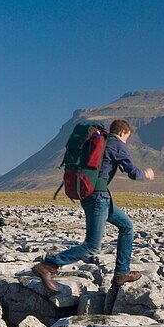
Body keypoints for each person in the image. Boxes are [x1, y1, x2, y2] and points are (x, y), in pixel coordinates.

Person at [33, 119, 154, 292]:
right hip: (99, 198)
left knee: (126, 225)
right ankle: (49, 264)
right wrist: (146, 174)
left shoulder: (101, 142)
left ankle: (121, 272)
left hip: (95, 197)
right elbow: (133, 173)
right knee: (92, 246)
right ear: (121, 133)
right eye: (127, 137)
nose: (126, 141)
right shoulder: (117, 144)